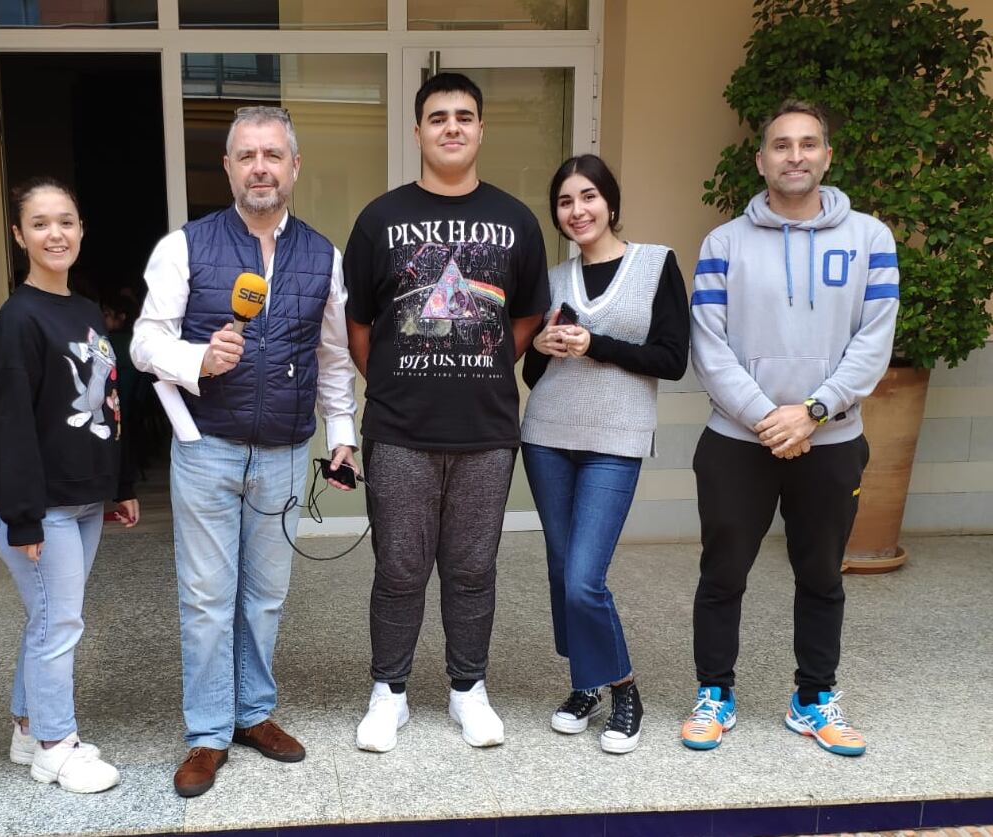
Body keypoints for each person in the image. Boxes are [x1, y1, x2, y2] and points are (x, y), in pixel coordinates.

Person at [131, 105, 358, 798]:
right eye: (246, 155)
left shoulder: (323, 254)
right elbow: (143, 342)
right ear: (227, 167)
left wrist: (342, 435)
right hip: (207, 450)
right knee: (206, 598)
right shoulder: (184, 246)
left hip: (287, 452)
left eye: (272, 155)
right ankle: (206, 730)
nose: (260, 166)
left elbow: (334, 355)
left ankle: (252, 712)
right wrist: (199, 357)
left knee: (264, 596)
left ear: (293, 167)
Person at [682, 100, 897, 757]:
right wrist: (764, 417)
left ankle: (812, 698)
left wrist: (809, 412)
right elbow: (707, 344)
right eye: (781, 145)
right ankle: (714, 693)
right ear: (761, 160)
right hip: (735, 444)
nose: (794, 155)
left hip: (828, 443)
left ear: (827, 156)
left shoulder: (869, 239)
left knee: (821, 575)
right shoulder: (722, 245)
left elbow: (873, 339)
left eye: (807, 144)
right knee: (722, 574)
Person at [346, 72, 549, 753]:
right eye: (438, 117)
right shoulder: (379, 219)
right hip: (399, 428)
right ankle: (389, 693)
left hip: (486, 430)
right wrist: (403, 377)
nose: (452, 127)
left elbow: (525, 317)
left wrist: (479, 366)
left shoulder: (517, 220)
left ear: (481, 128)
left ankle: (469, 690)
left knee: (471, 569)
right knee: (398, 568)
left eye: (464, 116)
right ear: (417, 132)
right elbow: (358, 326)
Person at [0, 177, 140, 795]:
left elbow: (111, 400)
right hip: (38, 506)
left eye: (66, 221)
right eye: (40, 223)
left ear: (81, 229)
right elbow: (7, 426)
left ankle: (27, 726)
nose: (55, 233)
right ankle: (54, 745)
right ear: (18, 235)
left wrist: (119, 483)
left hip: (81, 498)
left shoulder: (82, 309)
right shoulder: (16, 322)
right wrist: (23, 518)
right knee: (60, 623)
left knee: (48, 617)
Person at [520, 154, 689, 754]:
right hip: (547, 436)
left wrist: (597, 343)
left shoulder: (655, 264)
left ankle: (623, 686)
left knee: (585, 579)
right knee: (561, 571)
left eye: (588, 197)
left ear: (610, 202)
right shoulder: (553, 280)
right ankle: (584, 683)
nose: (577, 211)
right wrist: (539, 344)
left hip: (615, 440)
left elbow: (673, 358)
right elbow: (535, 371)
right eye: (565, 202)